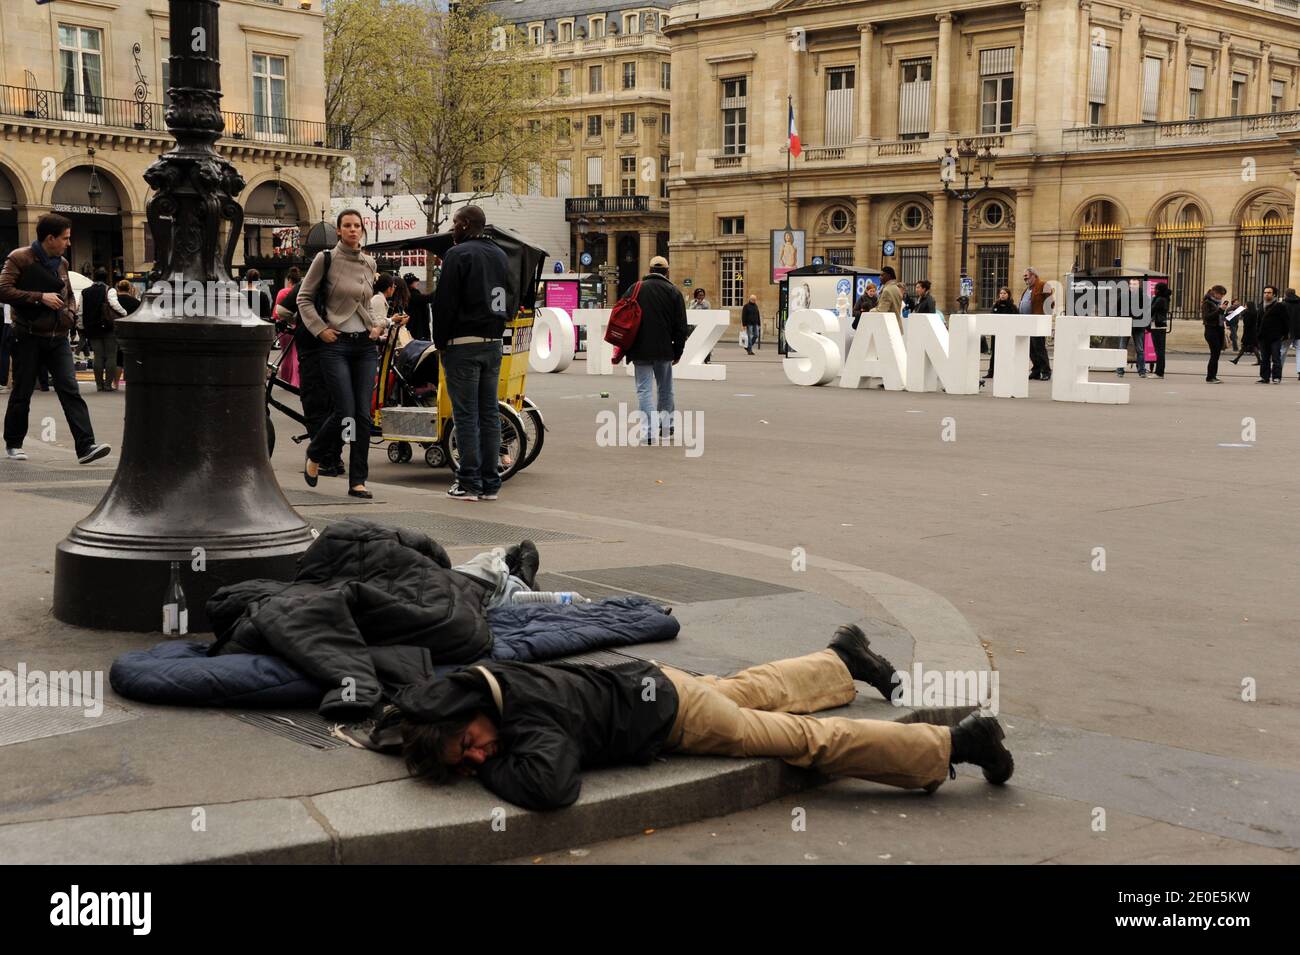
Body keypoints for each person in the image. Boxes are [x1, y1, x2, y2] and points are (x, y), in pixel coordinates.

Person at [395, 622, 1013, 811]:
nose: (479, 756)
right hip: (656, 683)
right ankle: (841, 659)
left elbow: (554, 786)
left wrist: (487, 772)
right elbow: (414, 704)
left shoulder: (524, 722)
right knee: (749, 689)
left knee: (806, 740)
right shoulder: (489, 684)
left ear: (473, 716)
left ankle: (954, 745)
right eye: (468, 762)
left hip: (678, 720)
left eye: (470, 745)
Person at [0, 214, 111, 463]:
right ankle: (14, 443)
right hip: (27, 335)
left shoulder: (61, 262)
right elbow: (3, 289)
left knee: (70, 390)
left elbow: (68, 292)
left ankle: (86, 447)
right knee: (22, 392)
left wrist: (70, 313)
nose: (68, 243)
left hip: (58, 336)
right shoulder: (20, 258)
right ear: (50, 238)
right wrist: (40, 297)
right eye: (65, 238)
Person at [299, 208, 384, 499]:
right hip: (335, 345)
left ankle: (358, 480)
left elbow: (367, 303)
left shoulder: (370, 262)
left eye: (357, 225)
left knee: (363, 414)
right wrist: (320, 329)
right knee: (345, 410)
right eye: (347, 225)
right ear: (338, 230)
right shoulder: (326, 259)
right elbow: (304, 298)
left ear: (362, 229)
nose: (352, 230)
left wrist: (376, 325)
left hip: (365, 347)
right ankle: (316, 452)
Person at [431, 205, 512, 502]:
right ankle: (491, 482)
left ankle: (468, 481)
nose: (453, 228)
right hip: (492, 342)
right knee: (489, 413)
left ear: (466, 224)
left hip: (462, 343)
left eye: (455, 223)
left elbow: (445, 303)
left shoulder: (458, 255)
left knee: (466, 415)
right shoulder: (500, 255)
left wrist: (440, 341)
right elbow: (507, 297)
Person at [624, 255, 688, 446]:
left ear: (650, 270)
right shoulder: (673, 292)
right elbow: (681, 326)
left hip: (639, 349)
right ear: (666, 272)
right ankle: (666, 428)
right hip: (664, 349)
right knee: (665, 389)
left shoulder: (635, 289)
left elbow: (623, 316)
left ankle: (648, 432)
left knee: (644, 390)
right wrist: (678, 351)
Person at [80, 267, 127, 391]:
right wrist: (124, 313)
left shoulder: (85, 292)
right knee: (111, 356)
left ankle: (99, 384)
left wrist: (81, 327)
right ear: (106, 278)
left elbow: (80, 311)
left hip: (92, 328)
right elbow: (114, 304)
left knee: (98, 356)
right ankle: (107, 384)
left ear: (94, 277)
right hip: (108, 327)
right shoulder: (109, 290)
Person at [1022, 266, 1051, 380]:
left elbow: (1050, 302)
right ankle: (1036, 369)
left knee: (1039, 347)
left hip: (1037, 321)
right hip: (1027, 322)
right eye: (1024, 278)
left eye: (1027, 277)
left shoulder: (1043, 285)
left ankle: (1046, 370)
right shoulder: (1027, 289)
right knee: (1031, 348)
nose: (1025, 280)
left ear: (1034, 276)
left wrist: (1044, 316)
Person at [1256, 285, 1289, 384]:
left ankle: (1276, 377)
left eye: (1269, 292)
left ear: (1274, 294)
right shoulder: (1261, 305)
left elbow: (1286, 321)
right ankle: (1264, 377)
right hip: (1263, 337)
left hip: (1275, 336)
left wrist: (1284, 334)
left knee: (1276, 357)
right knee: (1264, 358)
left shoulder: (1280, 306)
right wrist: (1257, 334)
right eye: (1265, 292)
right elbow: (1258, 321)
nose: (1266, 294)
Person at [986, 285, 1017, 380]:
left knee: (1008, 352)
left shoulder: (1012, 306)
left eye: (1004, 293)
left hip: (1008, 333)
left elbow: (1015, 318)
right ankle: (991, 372)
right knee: (994, 352)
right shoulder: (996, 305)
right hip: (996, 332)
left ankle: (1007, 372)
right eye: (1001, 293)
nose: (1002, 295)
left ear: (1008, 295)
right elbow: (992, 317)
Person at [1202, 284, 1229, 383]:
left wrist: (1226, 314)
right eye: (1221, 295)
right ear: (1215, 293)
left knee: (1216, 354)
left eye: (1223, 295)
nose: (1222, 297)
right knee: (1214, 354)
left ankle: (1213, 376)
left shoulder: (1217, 303)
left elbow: (1219, 316)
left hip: (1219, 330)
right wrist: (1220, 310)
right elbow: (1207, 317)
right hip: (1211, 330)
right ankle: (1210, 377)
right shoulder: (1207, 303)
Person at [1148, 282, 1171, 379]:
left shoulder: (1160, 299)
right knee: (1160, 350)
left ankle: (1159, 372)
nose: (1155, 290)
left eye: (1156, 289)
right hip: (1160, 325)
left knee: (1159, 351)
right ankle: (1159, 371)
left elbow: (1151, 310)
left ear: (1159, 290)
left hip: (1158, 325)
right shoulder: (1163, 298)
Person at [404, 274, 432, 342]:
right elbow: (425, 298)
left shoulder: (409, 293)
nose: (417, 283)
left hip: (415, 325)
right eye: (415, 281)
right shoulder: (413, 294)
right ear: (411, 283)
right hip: (417, 327)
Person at [689, 287, 712, 364]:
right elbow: (689, 311)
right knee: (695, 343)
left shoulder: (707, 303)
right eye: (699, 295)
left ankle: (707, 359)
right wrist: (696, 304)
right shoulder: (692, 302)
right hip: (694, 326)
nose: (701, 297)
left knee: (706, 342)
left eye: (702, 295)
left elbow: (709, 312)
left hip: (704, 325)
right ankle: (693, 358)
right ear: (696, 296)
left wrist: (703, 305)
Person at [1282, 287, 1300, 381]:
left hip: (1287, 332)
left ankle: (1278, 370)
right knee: (1299, 351)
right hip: (1299, 331)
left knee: (1283, 350)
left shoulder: (1283, 304)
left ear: (1286, 294)